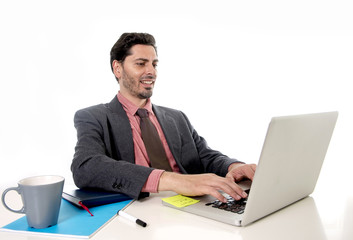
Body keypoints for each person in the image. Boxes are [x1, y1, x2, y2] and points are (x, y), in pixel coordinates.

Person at [71, 32, 256, 202]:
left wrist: (233, 166)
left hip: (192, 206)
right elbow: (85, 167)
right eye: (141, 63)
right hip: (141, 209)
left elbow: (205, 157)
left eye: (154, 64)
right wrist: (174, 180)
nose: (151, 71)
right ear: (117, 68)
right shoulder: (93, 117)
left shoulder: (176, 117)